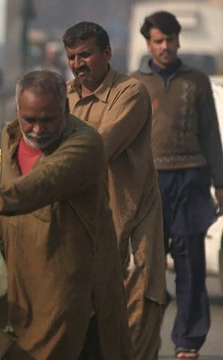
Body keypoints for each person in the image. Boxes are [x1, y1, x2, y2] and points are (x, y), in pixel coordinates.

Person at [0, 70, 132, 359]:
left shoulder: (84, 145)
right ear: (17, 112)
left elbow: (39, 185)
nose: (37, 130)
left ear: (66, 109)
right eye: (30, 119)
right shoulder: (10, 136)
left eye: (48, 120)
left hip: (64, 284)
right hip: (16, 284)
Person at [63, 21, 167, 359]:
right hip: (89, 234)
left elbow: (97, 148)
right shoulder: (62, 98)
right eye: (72, 57)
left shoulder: (129, 93)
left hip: (133, 228)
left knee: (134, 332)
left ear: (106, 53)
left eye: (86, 55)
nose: (79, 63)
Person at [131, 11, 223, 359]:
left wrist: (220, 182)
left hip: (190, 181)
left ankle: (188, 341)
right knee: (147, 268)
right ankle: (142, 339)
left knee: (191, 267)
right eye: (158, 41)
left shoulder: (196, 81)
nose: (165, 46)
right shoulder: (135, 83)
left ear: (178, 40)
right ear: (148, 43)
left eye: (170, 40)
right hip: (149, 186)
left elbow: (211, 135)